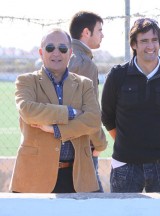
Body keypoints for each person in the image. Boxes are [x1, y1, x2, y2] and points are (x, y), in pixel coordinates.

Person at [101, 18, 160, 192]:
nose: (150, 46)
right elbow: (107, 117)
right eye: (144, 41)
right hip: (125, 166)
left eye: (154, 40)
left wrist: (156, 140)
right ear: (134, 44)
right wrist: (127, 142)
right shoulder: (117, 75)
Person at [10, 28, 102, 193]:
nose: (56, 53)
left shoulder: (84, 84)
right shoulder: (26, 81)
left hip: (78, 177)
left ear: (70, 53)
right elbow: (28, 111)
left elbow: (93, 120)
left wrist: (56, 129)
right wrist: (71, 113)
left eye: (63, 48)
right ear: (41, 52)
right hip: (34, 177)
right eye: (50, 48)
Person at [68, 11, 107, 192]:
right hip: (83, 143)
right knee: (94, 200)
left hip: (62, 140)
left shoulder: (64, 56)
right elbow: (88, 109)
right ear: (86, 32)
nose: (102, 35)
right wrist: (97, 143)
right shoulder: (84, 63)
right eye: (99, 30)